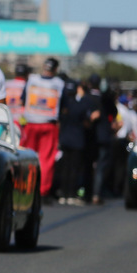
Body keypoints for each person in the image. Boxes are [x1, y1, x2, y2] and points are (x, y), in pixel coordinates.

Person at [20, 58, 65, 200]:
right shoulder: (59, 84)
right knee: (46, 159)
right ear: (56, 69)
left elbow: (22, 100)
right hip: (48, 125)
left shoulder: (31, 80)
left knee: (26, 157)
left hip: (31, 124)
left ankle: (24, 187)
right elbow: (63, 107)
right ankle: (42, 191)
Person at [56, 76, 100, 204]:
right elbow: (87, 121)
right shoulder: (81, 104)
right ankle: (70, 194)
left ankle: (63, 194)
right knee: (74, 168)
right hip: (77, 140)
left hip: (64, 139)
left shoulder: (62, 105)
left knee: (65, 167)